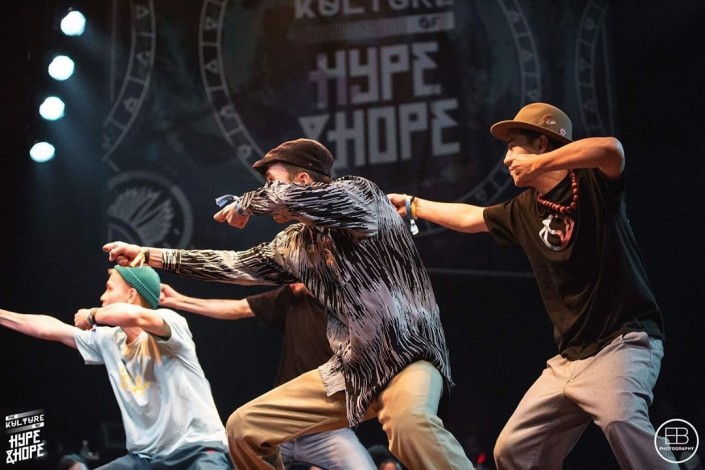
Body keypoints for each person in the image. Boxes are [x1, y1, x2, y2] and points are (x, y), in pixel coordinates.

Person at [104, 138, 474, 470]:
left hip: (406, 354)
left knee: (409, 424)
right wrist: (150, 255)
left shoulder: (361, 196)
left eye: (271, 181)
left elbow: (290, 199)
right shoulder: (295, 243)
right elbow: (233, 265)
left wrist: (245, 204)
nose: (266, 190)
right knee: (244, 428)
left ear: (303, 180)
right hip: (351, 369)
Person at [388, 102, 676, 469]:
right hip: (568, 361)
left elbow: (611, 149)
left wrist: (541, 165)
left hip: (623, 342)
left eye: (513, 147)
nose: (506, 159)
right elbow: (471, 217)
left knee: (620, 416)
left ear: (541, 144)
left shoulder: (593, 183)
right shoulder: (523, 209)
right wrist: (413, 205)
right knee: (513, 450)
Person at [0, 266, 233, 469]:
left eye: (109, 289)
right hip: (146, 459)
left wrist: (93, 315)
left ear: (131, 295)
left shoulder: (171, 324)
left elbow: (136, 317)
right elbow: (50, 329)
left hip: (197, 450)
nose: (102, 297)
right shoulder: (109, 340)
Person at [159, 282, 377, 469]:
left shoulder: (354, 307)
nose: (289, 279)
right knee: (232, 455)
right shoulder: (293, 297)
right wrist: (178, 300)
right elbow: (238, 308)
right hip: (279, 427)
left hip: (329, 431)